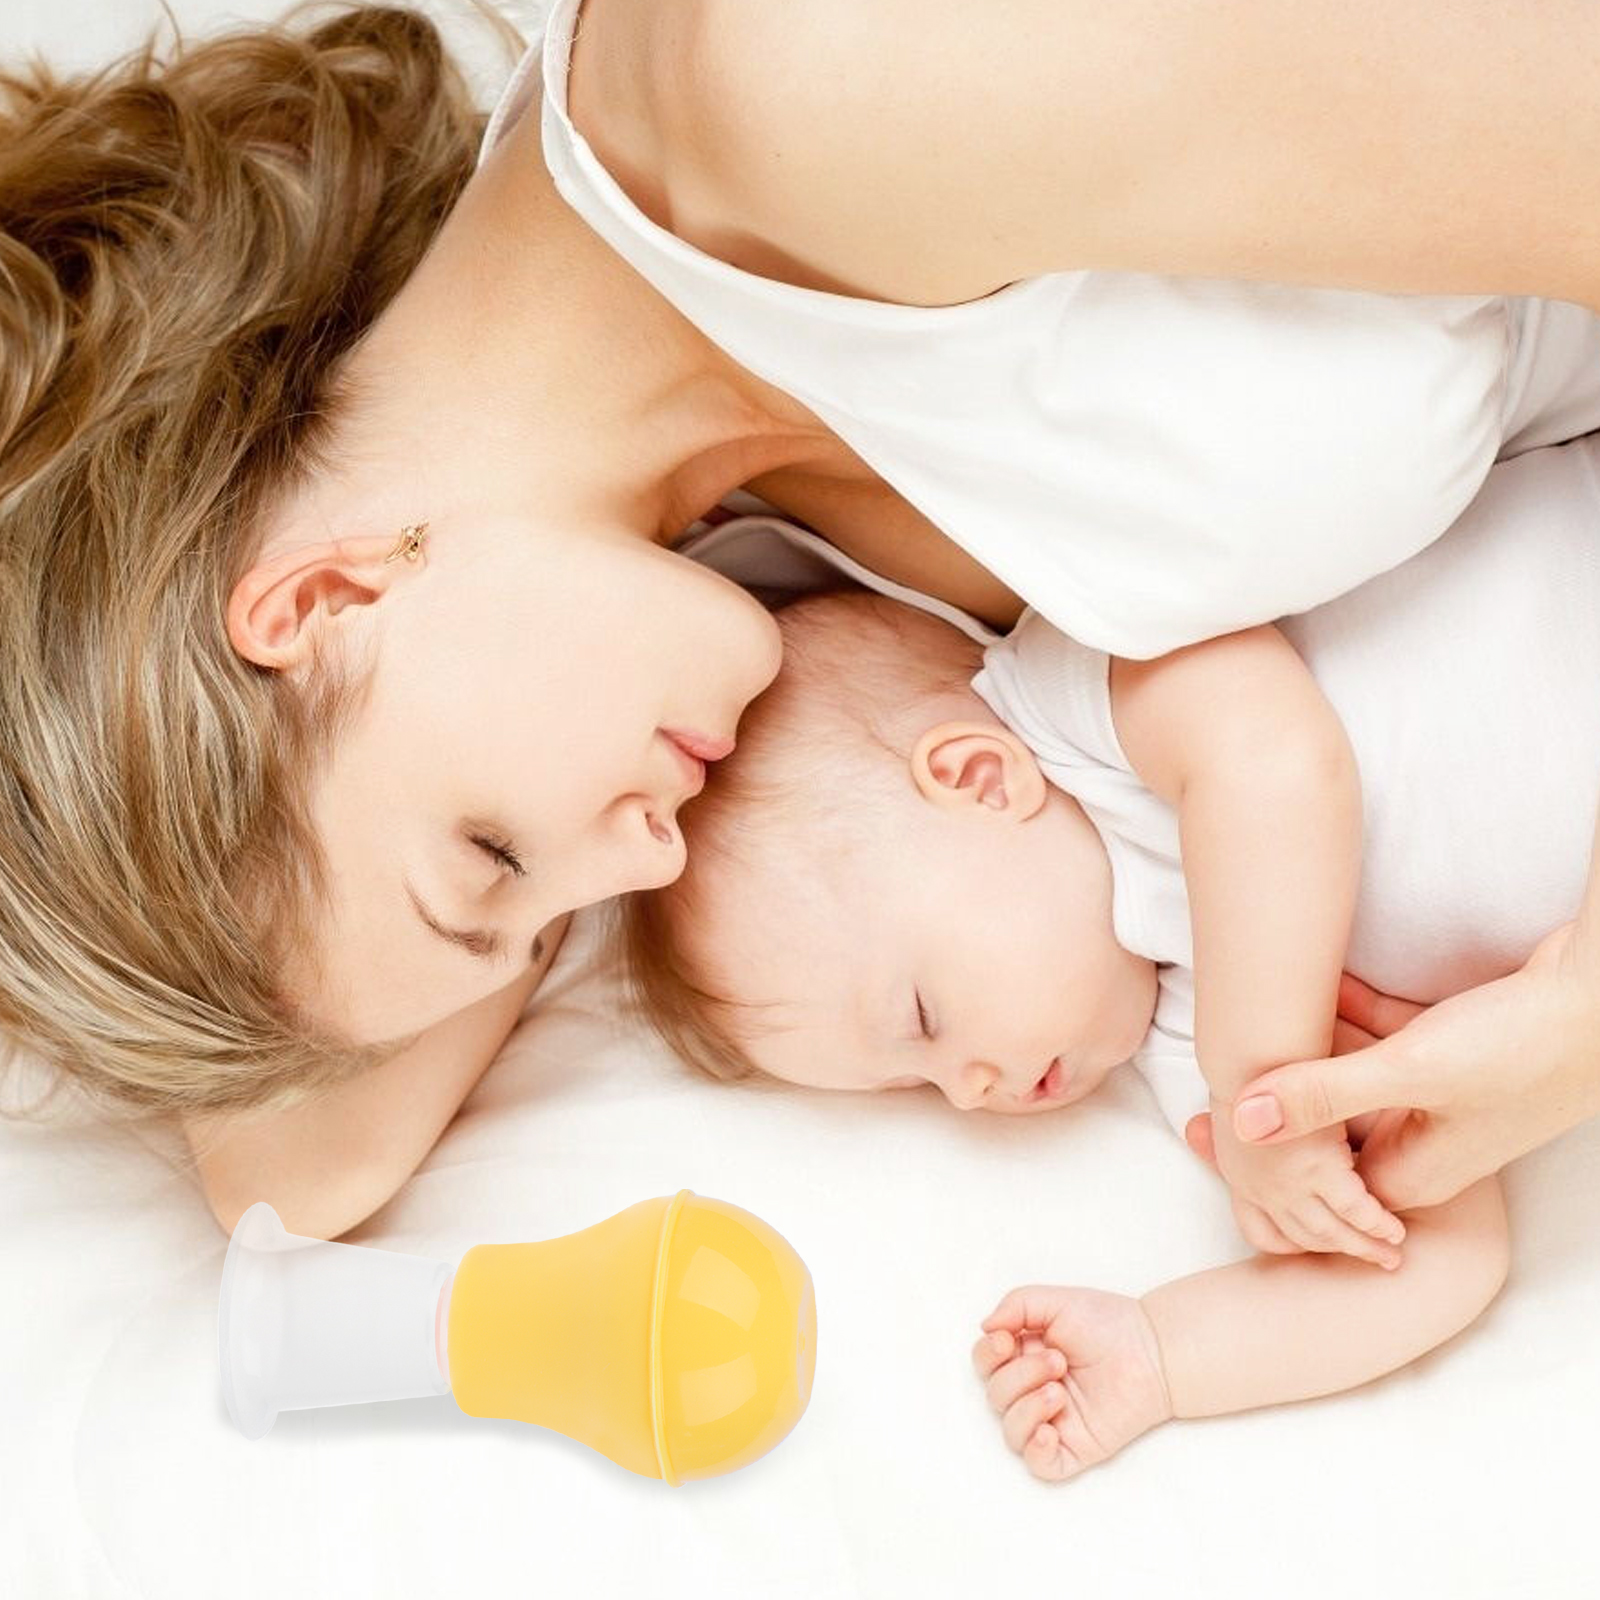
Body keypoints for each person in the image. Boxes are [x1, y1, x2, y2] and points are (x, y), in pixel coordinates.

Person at [5, 1, 1600, 1242]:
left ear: (324, 597)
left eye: (490, 857)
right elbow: (294, 1178)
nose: (650, 865)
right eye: (542, 936)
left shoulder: (807, 87)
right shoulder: (708, 535)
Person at [615, 432, 1600, 1477]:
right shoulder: (1180, 1040)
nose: (967, 1089)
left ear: (979, 780)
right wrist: (1163, 1352)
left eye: (923, 1021)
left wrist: (1257, 1076)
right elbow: (1438, 1249)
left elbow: (1276, 763)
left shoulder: (1085, 693)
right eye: (917, 1085)